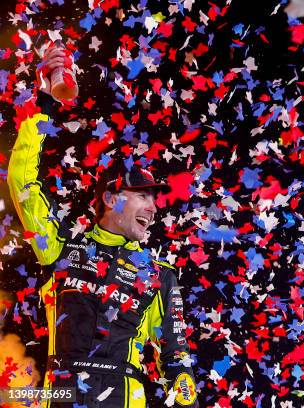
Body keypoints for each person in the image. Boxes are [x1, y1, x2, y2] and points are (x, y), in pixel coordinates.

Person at [7, 44, 199, 407]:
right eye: (143, 196)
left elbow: (176, 358)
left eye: (155, 200)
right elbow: (21, 180)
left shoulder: (162, 276)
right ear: (111, 199)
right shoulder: (61, 246)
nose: (153, 208)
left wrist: (186, 395)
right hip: (61, 391)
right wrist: (45, 100)